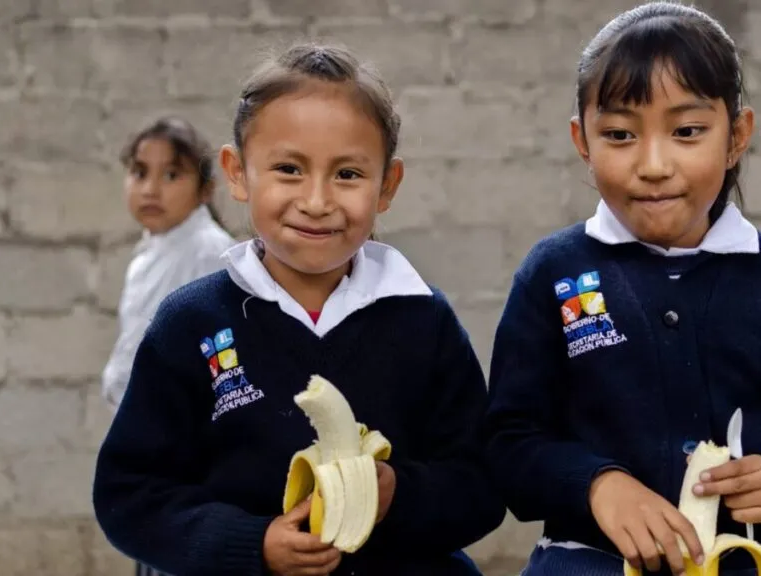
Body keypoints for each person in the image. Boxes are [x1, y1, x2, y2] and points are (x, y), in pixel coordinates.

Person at [482, 3, 761, 576]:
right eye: (619, 134)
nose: (654, 164)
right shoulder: (553, 273)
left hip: (744, 558)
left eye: (687, 131)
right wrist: (597, 485)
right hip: (583, 560)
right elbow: (508, 441)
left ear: (737, 135)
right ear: (582, 141)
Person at [92, 42, 504, 576]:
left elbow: (483, 483)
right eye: (289, 169)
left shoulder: (423, 320)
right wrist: (251, 543)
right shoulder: (192, 322)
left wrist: (397, 494)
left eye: (348, 174)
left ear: (388, 185)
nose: (316, 200)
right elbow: (131, 496)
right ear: (237, 173)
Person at [101, 115, 236, 412]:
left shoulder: (209, 251)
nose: (150, 189)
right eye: (139, 172)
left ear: (205, 190)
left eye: (172, 175)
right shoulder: (150, 252)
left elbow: (224, 356)